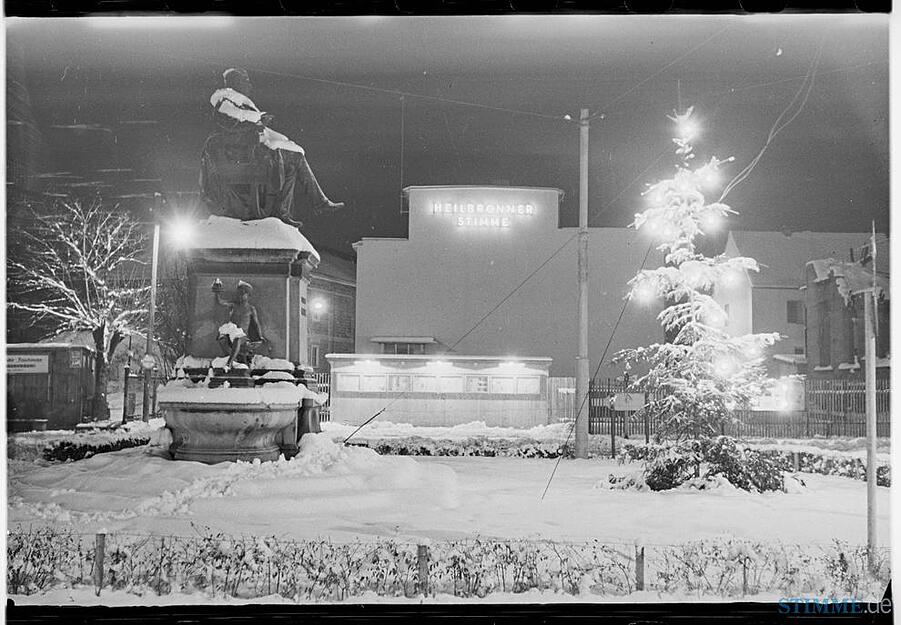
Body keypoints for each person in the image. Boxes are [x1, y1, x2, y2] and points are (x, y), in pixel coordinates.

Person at [203, 68, 344, 227]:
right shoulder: (224, 98)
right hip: (241, 153)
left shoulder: (242, 102)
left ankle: (284, 212)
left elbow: (261, 128)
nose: (249, 86)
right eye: (245, 81)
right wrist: (258, 117)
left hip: (254, 148)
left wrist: (284, 139)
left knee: (293, 162)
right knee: (295, 159)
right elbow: (234, 115)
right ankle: (318, 203)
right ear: (235, 82)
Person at [213, 280, 265, 368]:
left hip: (243, 336)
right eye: (239, 293)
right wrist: (217, 293)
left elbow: (256, 324)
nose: (240, 296)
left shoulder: (251, 309)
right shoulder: (234, 305)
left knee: (238, 339)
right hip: (231, 333)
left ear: (248, 295)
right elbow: (221, 302)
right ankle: (235, 358)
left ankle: (229, 363)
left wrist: (260, 336)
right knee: (221, 339)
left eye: (243, 294)